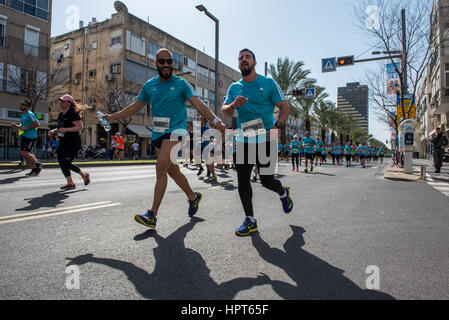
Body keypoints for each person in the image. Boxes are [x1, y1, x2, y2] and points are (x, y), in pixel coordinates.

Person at [103, 48, 226, 229]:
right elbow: (134, 107)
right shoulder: (149, 86)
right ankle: (193, 197)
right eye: (163, 62)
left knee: (160, 166)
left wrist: (216, 120)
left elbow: (198, 104)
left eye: (170, 62)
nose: (167, 65)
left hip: (177, 131)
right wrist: (113, 117)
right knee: (173, 171)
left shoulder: (182, 84)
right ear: (156, 64)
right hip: (158, 133)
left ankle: (152, 214)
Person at [221, 48, 293, 237]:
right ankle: (250, 219)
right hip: (243, 139)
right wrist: (232, 105)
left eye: (247, 57)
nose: (243, 60)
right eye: (240, 58)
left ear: (254, 62)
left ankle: (283, 192)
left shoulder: (268, 83)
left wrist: (278, 125)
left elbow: (284, 106)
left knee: (266, 181)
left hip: (266, 138)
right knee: (242, 179)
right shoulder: (234, 88)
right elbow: (225, 112)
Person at [48, 94, 90, 190]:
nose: (61, 103)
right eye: (61, 101)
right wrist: (54, 131)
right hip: (63, 141)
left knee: (66, 162)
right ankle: (70, 183)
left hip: (72, 142)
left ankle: (84, 175)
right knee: (61, 161)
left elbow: (79, 127)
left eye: (63, 101)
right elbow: (60, 128)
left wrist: (65, 129)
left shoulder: (73, 114)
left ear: (69, 103)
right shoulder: (61, 114)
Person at [10, 99, 42, 176]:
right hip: (25, 136)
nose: (21, 105)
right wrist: (17, 126)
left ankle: (38, 165)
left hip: (31, 136)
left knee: (25, 152)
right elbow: (23, 126)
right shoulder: (23, 115)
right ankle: (34, 170)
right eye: (21, 104)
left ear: (27, 107)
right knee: (25, 154)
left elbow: (37, 124)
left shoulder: (29, 114)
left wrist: (25, 128)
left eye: (23, 104)